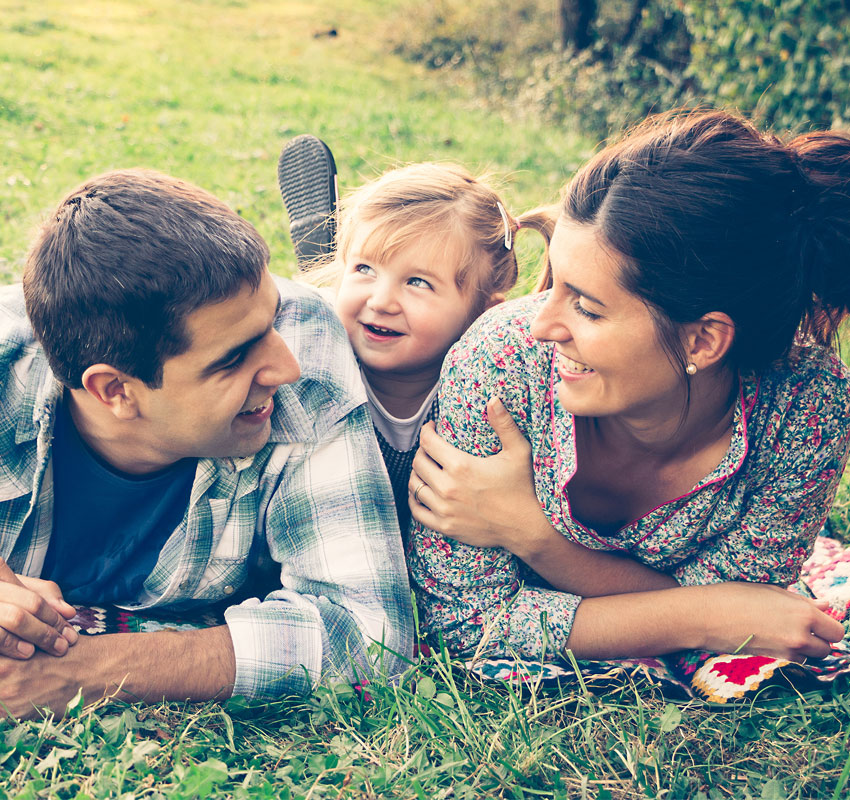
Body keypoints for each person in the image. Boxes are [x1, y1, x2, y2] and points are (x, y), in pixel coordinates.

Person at [407, 110, 850, 665]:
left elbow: (748, 607)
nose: (543, 325)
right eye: (554, 281)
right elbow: (469, 622)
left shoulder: (807, 406)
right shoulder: (502, 361)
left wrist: (534, 537)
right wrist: (709, 615)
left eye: (587, 307)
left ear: (703, 341)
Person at [0, 168, 412, 718]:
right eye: (233, 359)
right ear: (116, 390)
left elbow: (372, 632)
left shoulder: (306, 343)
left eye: (270, 325)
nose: (285, 368)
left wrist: (84, 671)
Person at [293, 161, 547, 532]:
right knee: (314, 308)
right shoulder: (314, 357)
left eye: (417, 282)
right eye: (364, 268)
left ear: (484, 314)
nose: (382, 301)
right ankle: (324, 266)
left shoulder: (488, 392)